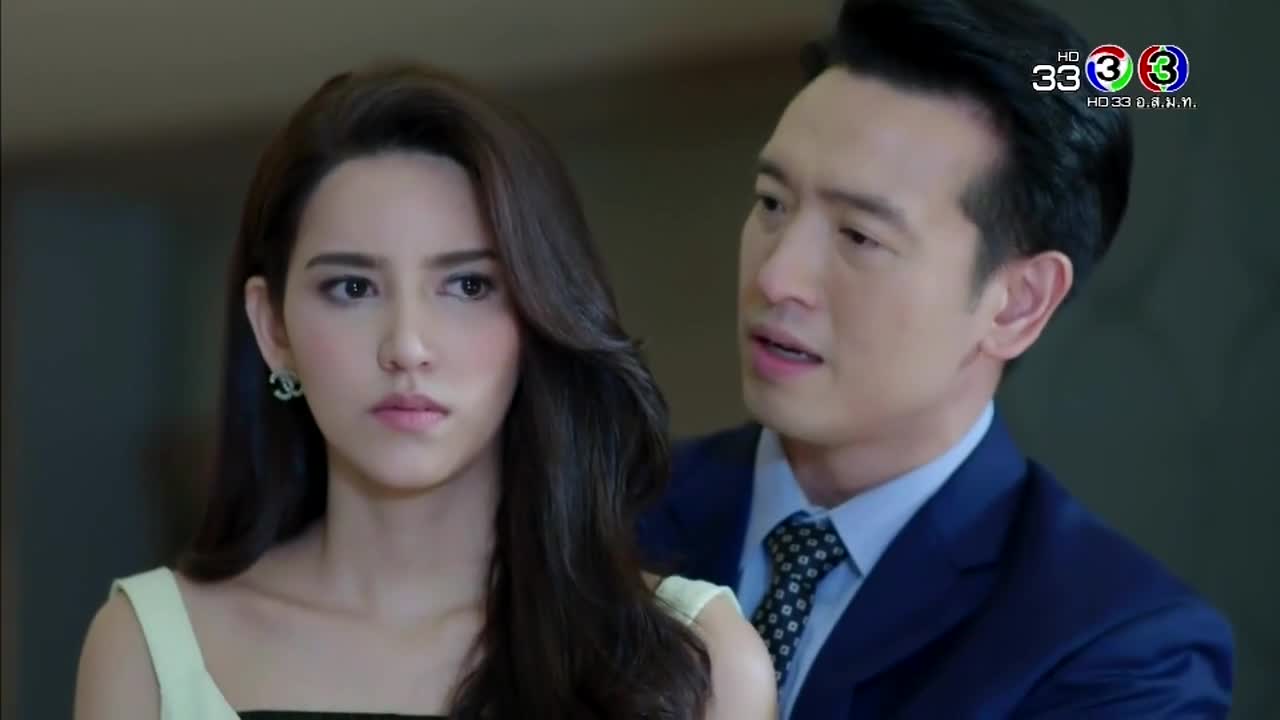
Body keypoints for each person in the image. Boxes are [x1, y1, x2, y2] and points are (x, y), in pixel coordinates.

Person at [73, 63, 776, 719]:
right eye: (352, 288)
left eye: (468, 285)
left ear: (537, 314)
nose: (407, 346)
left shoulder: (695, 657)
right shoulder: (150, 649)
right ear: (273, 327)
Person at [637, 0, 1234, 717]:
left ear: (1016, 304)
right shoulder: (600, 515)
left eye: (860, 237)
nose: (776, 276)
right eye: (772, 203)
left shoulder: (1120, 650)